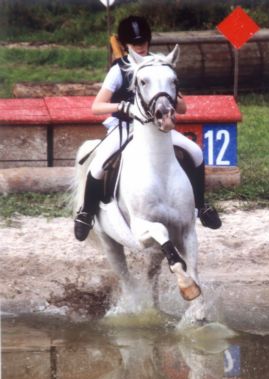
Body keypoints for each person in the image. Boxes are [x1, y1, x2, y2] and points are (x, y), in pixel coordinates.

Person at [74, 15, 221, 241]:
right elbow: (96, 107)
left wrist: (172, 100)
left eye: (143, 42)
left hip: (157, 129)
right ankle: (86, 212)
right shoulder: (119, 69)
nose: (140, 47)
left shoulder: (159, 64)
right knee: (99, 163)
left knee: (195, 151)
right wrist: (124, 107)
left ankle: (201, 206)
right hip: (124, 126)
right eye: (135, 44)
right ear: (125, 45)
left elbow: (182, 107)